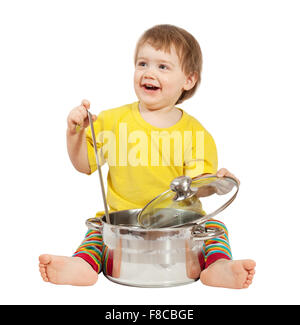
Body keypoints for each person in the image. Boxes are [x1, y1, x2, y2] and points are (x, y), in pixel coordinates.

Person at [39, 24, 255, 289]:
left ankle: (218, 267)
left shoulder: (195, 133)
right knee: (96, 234)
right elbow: (84, 165)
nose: (148, 72)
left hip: (179, 227)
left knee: (215, 231)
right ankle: (82, 265)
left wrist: (219, 183)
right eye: (142, 63)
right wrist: (74, 133)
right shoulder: (111, 120)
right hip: (123, 224)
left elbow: (200, 185)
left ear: (188, 79)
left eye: (163, 67)